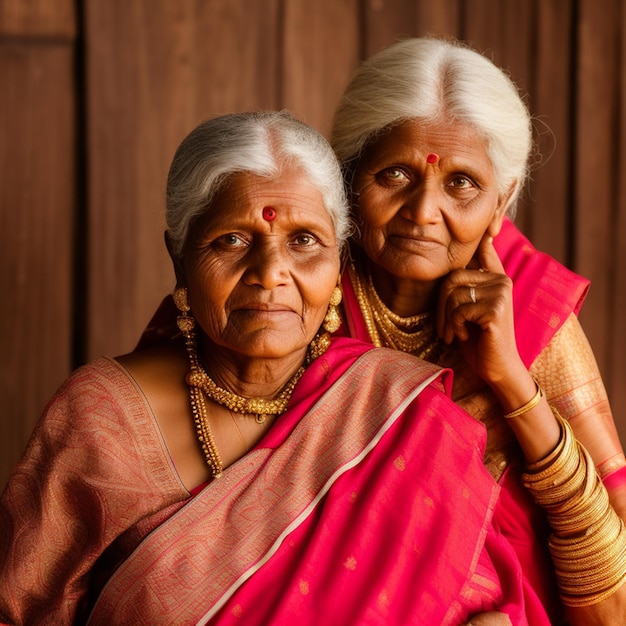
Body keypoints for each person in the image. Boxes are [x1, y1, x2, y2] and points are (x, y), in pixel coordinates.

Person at [0, 111, 531, 625]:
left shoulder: (393, 409)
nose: (272, 272)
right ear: (178, 256)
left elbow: (490, 605)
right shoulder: (101, 416)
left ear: (339, 261)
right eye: (232, 240)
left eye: (304, 241)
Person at [330, 36, 626, 624]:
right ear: (347, 175)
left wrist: (510, 379)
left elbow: (614, 603)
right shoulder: (299, 289)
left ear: (503, 199)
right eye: (394, 174)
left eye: (461, 183)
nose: (423, 211)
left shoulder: (535, 310)